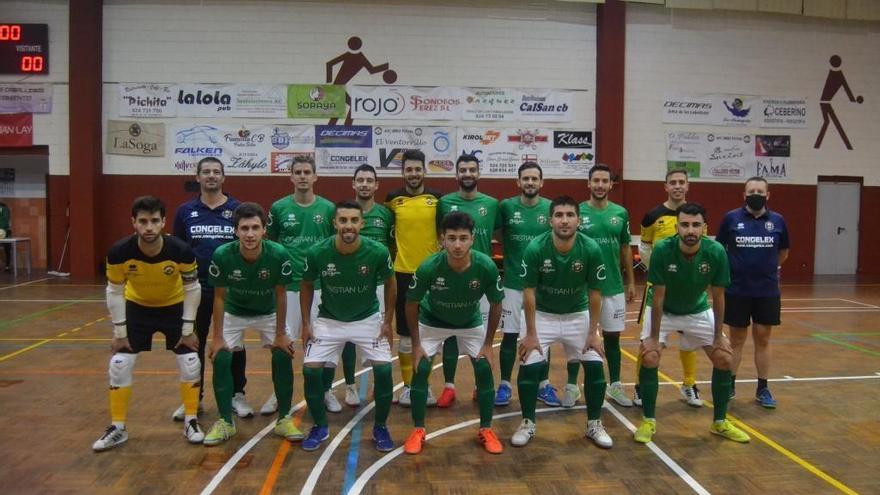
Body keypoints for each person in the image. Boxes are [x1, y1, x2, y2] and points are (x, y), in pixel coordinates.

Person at [93, 196, 204, 451]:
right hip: (137, 308)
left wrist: (187, 330)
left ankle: (191, 420)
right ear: (133, 222)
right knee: (119, 363)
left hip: (174, 306)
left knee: (190, 362)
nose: (149, 227)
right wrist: (119, 333)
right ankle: (118, 428)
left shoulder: (181, 251)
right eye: (143, 221)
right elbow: (114, 291)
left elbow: (193, 288)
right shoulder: (119, 252)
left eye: (155, 221)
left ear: (164, 222)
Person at [634, 203, 749, 444]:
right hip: (664, 311)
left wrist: (718, 335)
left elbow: (718, 296)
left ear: (704, 228)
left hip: (697, 309)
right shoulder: (663, 250)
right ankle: (648, 420)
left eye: (696, 225)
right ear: (677, 227)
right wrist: (654, 337)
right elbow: (658, 297)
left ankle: (719, 422)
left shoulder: (716, 251)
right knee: (650, 356)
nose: (690, 230)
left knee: (724, 358)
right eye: (685, 225)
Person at [512, 196, 611, 449]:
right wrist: (531, 334)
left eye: (569, 215)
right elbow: (529, 293)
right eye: (559, 215)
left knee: (595, 365)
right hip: (542, 315)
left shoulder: (590, 249)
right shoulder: (536, 248)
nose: (564, 220)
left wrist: (593, 333)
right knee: (530, 365)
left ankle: (594, 424)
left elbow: (595, 293)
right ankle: (527, 422)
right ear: (550, 220)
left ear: (579, 220)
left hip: (577, 314)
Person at [299, 200, 397, 452]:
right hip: (329, 320)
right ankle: (319, 426)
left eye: (354, 220)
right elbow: (307, 284)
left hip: (367, 319)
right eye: (343, 221)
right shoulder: (317, 252)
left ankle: (381, 427)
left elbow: (391, 283)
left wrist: (387, 321)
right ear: (335, 224)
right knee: (310, 371)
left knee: (385, 371)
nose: (348, 226)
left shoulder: (377, 251)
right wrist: (306, 324)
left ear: (362, 223)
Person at [403, 211, 504, 455]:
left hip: (469, 322)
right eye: (451, 238)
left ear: (472, 239)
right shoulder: (429, 267)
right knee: (422, 367)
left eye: (462, 238)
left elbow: (497, 303)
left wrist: (489, 343)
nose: (457, 244)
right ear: (442, 240)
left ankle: (486, 429)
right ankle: (418, 429)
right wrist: (416, 345)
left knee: (483, 366)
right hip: (432, 320)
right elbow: (411, 304)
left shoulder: (486, 266)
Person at [203, 202, 302, 446]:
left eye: (255, 228)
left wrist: (280, 334)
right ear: (235, 231)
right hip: (234, 312)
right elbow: (219, 297)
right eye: (244, 228)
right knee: (222, 356)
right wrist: (216, 338)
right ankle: (225, 421)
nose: (249, 234)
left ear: (264, 230)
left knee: (282, 352)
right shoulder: (223, 255)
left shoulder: (278, 254)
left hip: (267, 311)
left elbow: (281, 294)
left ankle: (284, 419)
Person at [171, 157, 249, 420]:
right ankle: (195, 397)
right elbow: (178, 251)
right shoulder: (185, 212)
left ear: (224, 177)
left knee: (232, 345)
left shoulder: (237, 209)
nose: (211, 176)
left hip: (231, 289)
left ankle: (237, 395)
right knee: (194, 343)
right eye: (206, 172)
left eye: (216, 172)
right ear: (198, 177)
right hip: (196, 289)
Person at [267, 155, 339, 414]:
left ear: (315, 176)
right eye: (297, 172)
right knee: (283, 344)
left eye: (307, 171)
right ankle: (279, 395)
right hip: (288, 288)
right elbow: (272, 245)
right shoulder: (278, 208)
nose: (302, 176)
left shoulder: (329, 209)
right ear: (291, 177)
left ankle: (326, 391)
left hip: (321, 287)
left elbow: (335, 246)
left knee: (326, 343)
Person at [715, 177, 789, 408]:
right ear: (743, 194)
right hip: (737, 289)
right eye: (751, 191)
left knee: (763, 338)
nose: (755, 194)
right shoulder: (731, 219)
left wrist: (766, 270)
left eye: (760, 191)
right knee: (736, 339)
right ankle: (730, 385)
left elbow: (783, 252)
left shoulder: (777, 221)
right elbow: (719, 249)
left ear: (768, 195)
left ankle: (763, 388)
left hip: (767, 291)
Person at [435, 154, 499, 408]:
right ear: (456, 175)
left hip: (481, 278)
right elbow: (439, 238)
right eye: (463, 170)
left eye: (472, 169)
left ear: (479, 174)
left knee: (480, 336)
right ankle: (449, 386)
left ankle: (479, 386)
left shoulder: (493, 204)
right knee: (450, 334)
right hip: (451, 278)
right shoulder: (445, 202)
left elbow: (502, 233)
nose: (468, 174)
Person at [636, 169, 702, 408]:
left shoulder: (698, 214)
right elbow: (644, 248)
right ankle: (641, 387)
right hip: (659, 286)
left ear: (687, 186)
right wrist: (657, 271)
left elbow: (701, 246)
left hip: (690, 287)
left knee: (690, 338)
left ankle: (689, 384)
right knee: (648, 339)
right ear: (665, 186)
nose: (677, 186)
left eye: (681, 182)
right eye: (672, 182)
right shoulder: (652, 216)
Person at [572, 164, 636, 408]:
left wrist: (630, 281)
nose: (599, 185)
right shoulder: (577, 213)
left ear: (611, 185)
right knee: (578, 338)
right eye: (595, 180)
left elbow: (625, 249)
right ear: (588, 184)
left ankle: (616, 384)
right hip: (582, 288)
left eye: (604, 181)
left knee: (612, 338)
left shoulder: (620, 213)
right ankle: (571, 385)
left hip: (612, 286)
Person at [385, 149, 442, 407]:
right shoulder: (393, 199)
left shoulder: (437, 199)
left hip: (431, 275)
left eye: (418, 169)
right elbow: (388, 234)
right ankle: (408, 387)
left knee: (429, 334)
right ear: (403, 172)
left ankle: (425, 386)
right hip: (403, 275)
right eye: (409, 169)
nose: (414, 173)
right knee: (406, 336)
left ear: (424, 171)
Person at [336, 164, 394, 408]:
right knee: (348, 336)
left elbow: (392, 246)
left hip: (378, 283)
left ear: (376, 185)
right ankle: (350, 385)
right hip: (349, 284)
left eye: (369, 180)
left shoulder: (385, 214)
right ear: (353, 183)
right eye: (360, 180)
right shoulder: (343, 214)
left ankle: (377, 385)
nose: (365, 184)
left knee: (379, 334)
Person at [494, 162, 551, 407]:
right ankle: (505, 384)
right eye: (525, 178)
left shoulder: (550, 207)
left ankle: (543, 385)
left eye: (534, 178)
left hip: (542, 287)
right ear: (518, 182)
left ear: (541, 182)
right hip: (513, 283)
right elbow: (497, 233)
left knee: (542, 337)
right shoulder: (506, 206)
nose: (530, 182)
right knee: (509, 335)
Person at [0, 199, 10, 271]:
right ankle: (7, 265)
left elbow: (5, 221)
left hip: (5, 231)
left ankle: (7, 265)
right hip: (3, 230)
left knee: (7, 248)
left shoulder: (5, 208)